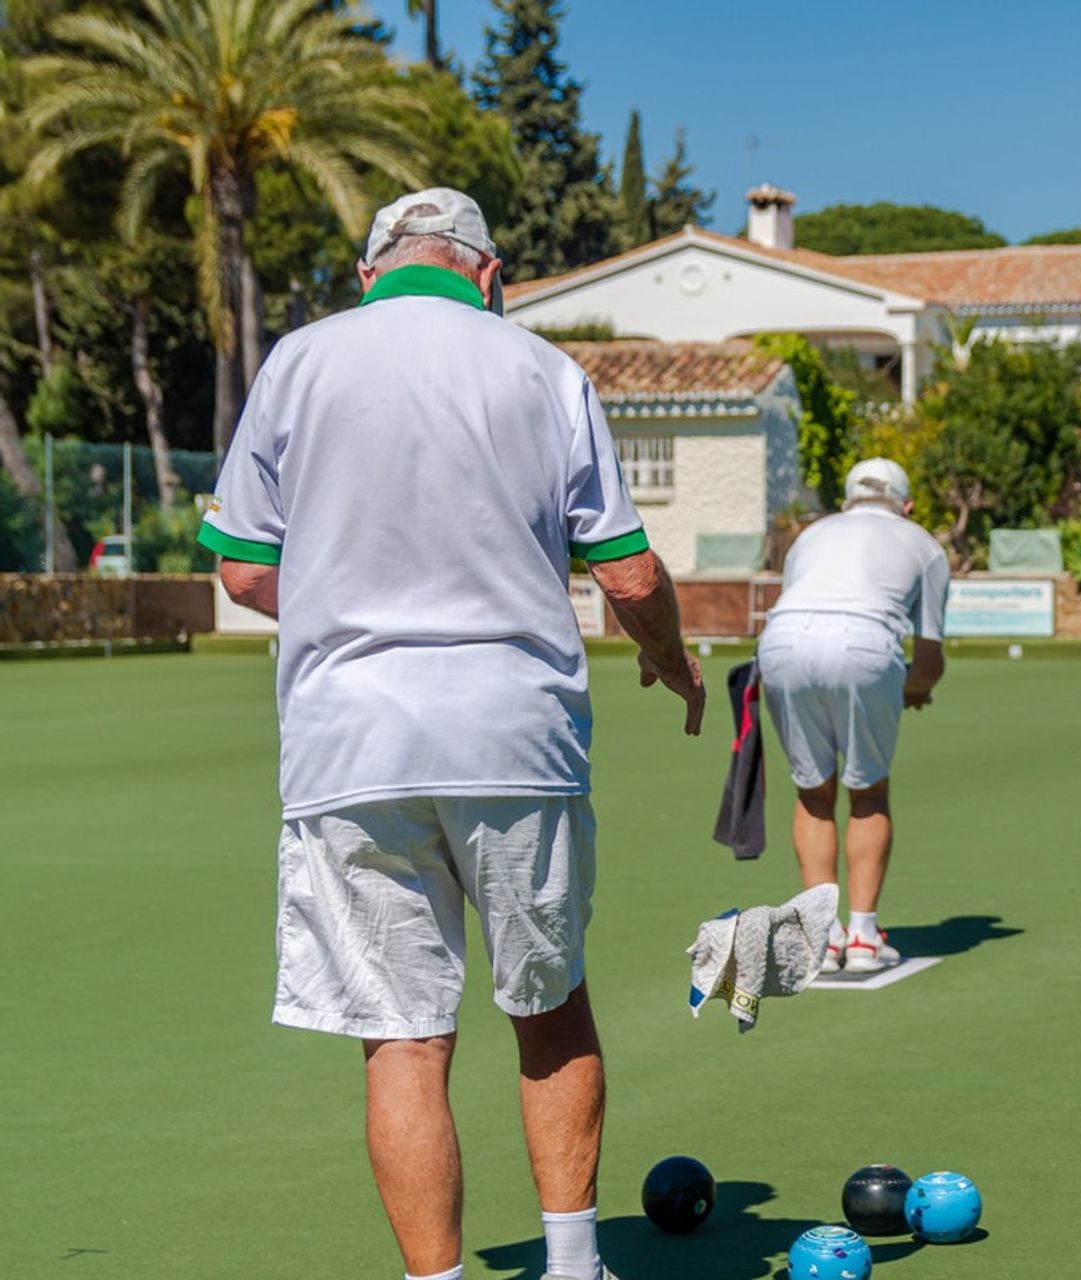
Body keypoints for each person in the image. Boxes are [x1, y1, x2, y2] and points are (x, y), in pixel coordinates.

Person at [198, 187, 704, 1280]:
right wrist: (672, 659)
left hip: (349, 744)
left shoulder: (299, 359)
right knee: (550, 1006)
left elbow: (242, 565)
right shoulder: (544, 369)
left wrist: (346, 602)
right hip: (512, 734)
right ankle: (575, 1267)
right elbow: (628, 568)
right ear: (488, 271)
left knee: (403, 1037)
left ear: (374, 270)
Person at [757, 458, 951, 973]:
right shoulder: (925, 545)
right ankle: (863, 937)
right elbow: (928, 661)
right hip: (866, 647)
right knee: (867, 791)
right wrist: (912, 689)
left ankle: (822, 938)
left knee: (813, 791)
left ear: (847, 502)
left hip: (780, 646)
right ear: (906, 506)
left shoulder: (811, 537)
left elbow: (802, 607)